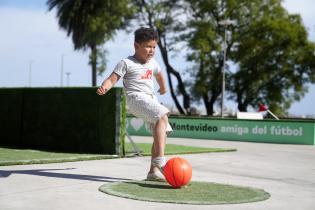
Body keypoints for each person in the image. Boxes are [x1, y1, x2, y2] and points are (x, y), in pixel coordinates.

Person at [96, 27, 172, 181]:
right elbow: (112, 79)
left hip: (150, 99)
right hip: (135, 98)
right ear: (136, 46)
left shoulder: (153, 63)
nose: (151, 50)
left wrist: (163, 88)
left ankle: (153, 171)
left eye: (154, 47)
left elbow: (159, 74)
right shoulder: (126, 63)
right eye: (148, 47)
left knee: (161, 132)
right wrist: (105, 87)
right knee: (162, 115)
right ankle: (160, 160)